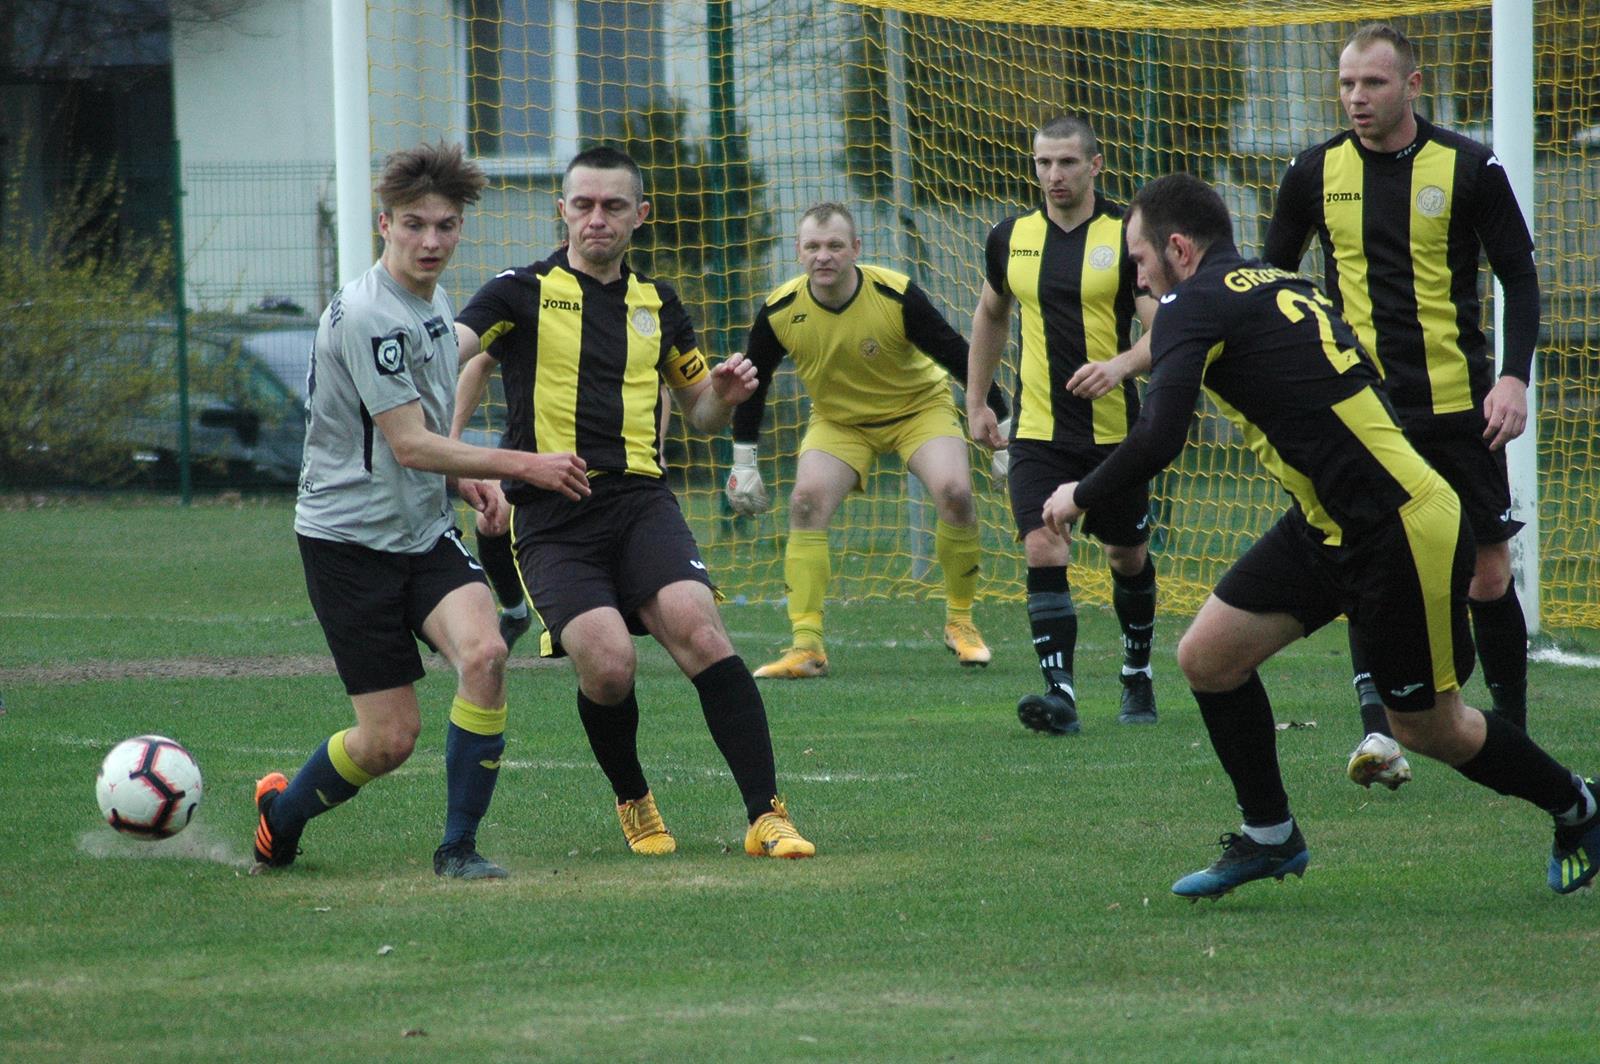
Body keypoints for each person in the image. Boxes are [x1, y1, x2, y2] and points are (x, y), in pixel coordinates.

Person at [1042, 172, 1598, 899]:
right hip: (1335, 521)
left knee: (1433, 728)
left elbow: (1160, 436)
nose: (1137, 276)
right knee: (1208, 656)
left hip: (1397, 525)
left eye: (1139, 258)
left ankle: (1580, 806)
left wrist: (1077, 494)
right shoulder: (1275, 282)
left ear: (1177, 248)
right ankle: (1271, 837)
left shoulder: (1187, 302)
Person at [452, 145, 815, 859]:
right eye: (582, 204)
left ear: (639, 216)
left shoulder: (659, 304)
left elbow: (699, 412)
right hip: (552, 514)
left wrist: (723, 396)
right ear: (562, 211)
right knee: (609, 665)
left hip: (641, 500)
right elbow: (458, 349)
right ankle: (634, 798)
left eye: (613, 206)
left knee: (700, 629)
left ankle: (767, 814)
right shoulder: (515, 291)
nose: (597, 218)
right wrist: (455, 449)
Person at [253, 141, 592, 879]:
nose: (431, 240)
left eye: (445, 226)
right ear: (384, 225)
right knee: (389, 740)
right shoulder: (372, 314)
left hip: (420, 533)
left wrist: (460, 481)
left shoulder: (432, 302)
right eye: (414, 225)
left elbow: (422, 437)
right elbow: (409, 445)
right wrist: (519, 464)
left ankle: (457, 849)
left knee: (486, 654)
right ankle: (280, 813)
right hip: (347, 544)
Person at [1263, 23, 1539, 792]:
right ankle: (1378, 735)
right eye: (1347, 84)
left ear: (1412, 86)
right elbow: (1268, 282)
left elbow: (1518, 275)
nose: (1357, 97)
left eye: (1373, 83)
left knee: (1487, 573)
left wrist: (1513, 378)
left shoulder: (1469, 166)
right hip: (1365, 414)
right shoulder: (1313, 173)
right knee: (1370, 566)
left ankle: (1510, 731)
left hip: (1459, 408)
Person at [724, 201, 1010, 678]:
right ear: (798, 252)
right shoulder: (779, 310)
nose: (824, 256)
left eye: (835, 245)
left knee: (956, 494)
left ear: (856, 248)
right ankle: (807, 646)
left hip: (918, 409)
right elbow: (752, 383)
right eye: (813, 246)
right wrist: (744, 460)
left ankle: (960, 622)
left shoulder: (895, 295)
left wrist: (1001, 423)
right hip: (839, 422)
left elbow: (959, 353)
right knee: (805, 503)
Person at [966, 115, 1161, 734]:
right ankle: (1061, 695)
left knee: (1126, 556)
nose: (1054, 175)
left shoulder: (1132, 235)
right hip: (1038, 433)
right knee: (1043, 542)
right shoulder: (1010, 237)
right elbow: (991, 314)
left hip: (1115, 435)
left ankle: (1137, 672)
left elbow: (1169, 329)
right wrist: (977, 401)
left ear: (1095, 165)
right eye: (1044, 162)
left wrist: (1121, 366)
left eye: (1068, 163)